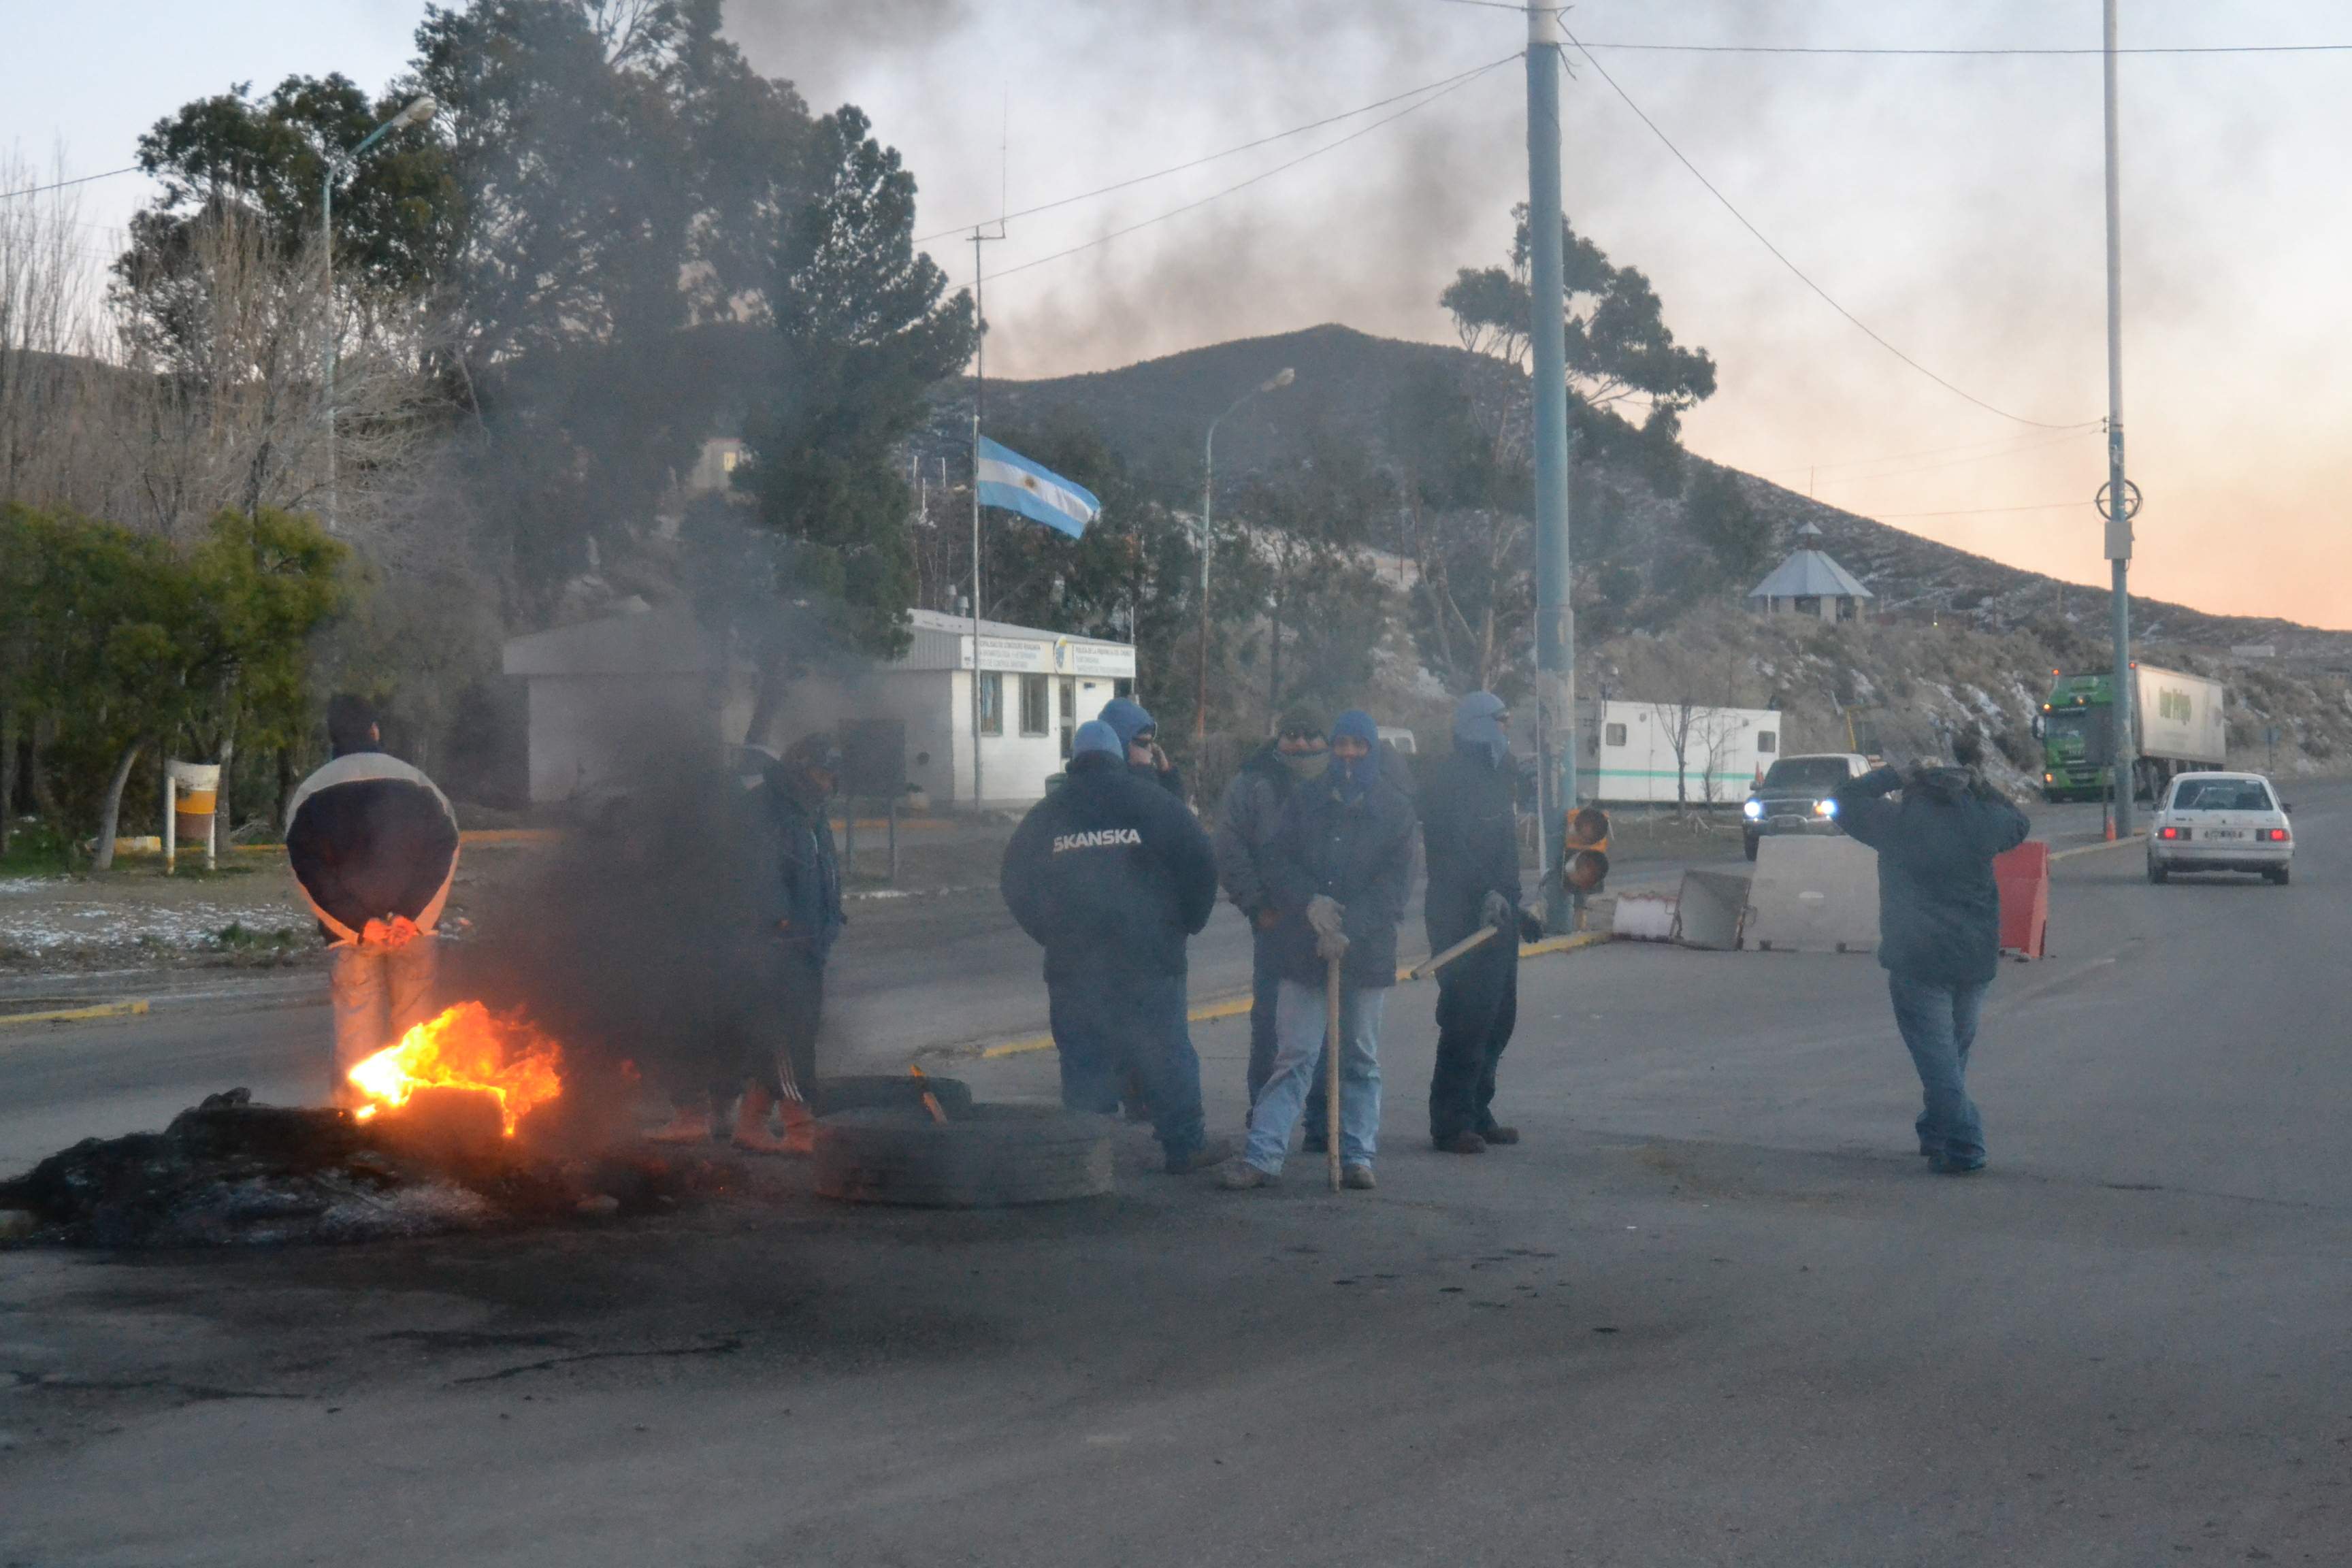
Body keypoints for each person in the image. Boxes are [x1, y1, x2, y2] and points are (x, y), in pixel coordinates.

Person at [1001, 720, 1231, 1174]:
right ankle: (1184, 1146)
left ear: (1073, 760)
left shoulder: (1047, 815)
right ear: (1119, 757)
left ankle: (1084, 1156)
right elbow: (1202, 864)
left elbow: (1014, 881)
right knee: (1165, 1051)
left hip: (1074, 966)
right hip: (1150, 959)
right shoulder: (1156, 804)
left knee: (1084, 1057)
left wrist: (1050, 931)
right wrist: (1185, 924)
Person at [1222, 710, 1416, 1192]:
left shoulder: (1396, 809)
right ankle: (1263, 1155)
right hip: (1302, 950)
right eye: (1343, 745)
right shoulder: (1306, 801)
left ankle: (1357, 1155)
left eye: (1359, 746)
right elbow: (1275, 860)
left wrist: (1349, 926)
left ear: (1372, 749)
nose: (1349, 754)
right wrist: (1310, 904)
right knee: (1295, 1056)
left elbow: (1395, 886)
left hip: (1365, 954)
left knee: (1359, 1059)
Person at [1831, 728, 2030, 1175]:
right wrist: (1983, 786)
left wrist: (1892, 778)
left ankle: (1963, 1142)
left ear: (1913, 791)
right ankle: (1938, 1128)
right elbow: (2019, 821)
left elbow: (1841, 800)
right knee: (1950, 1052)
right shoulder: (1982, 822)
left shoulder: (1898, 824)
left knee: (1938, 1056)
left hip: (1918, 957)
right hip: (1974, 958)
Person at [285, 694, 461, 1107]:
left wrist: (358, 924)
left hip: (352, 939)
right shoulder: (417, 783)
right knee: (417, 1035)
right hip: (413, 934)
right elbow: (445, 849)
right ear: (375, 730)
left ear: (331, 737)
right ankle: (419, 1123)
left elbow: (309, 871)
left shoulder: (312, 791)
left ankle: (356, 1130)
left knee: (356, 1037)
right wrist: (412, 917)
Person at [1418, 691, 1544, 1154]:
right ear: (1477, 724)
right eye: (1501, 720)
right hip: (1460, 915)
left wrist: (1517, 902)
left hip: (1500, 915)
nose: (1506, 729)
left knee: (1499, 1018)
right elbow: (1448, 851)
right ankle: (1451, 1122)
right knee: (1467, 1018)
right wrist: (1483, 892)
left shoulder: (1498, 776)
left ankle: (1477, 1108)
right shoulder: (1448, 780)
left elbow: (1502, 853)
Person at [1213, 706, 1330, 1124]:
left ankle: (1324, 1123)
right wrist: (1258, 906)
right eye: (1292, 734)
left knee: (1331, 1029)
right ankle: (1264, 1118)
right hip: (1276, 925)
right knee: (1269, 1025)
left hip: (1330, 930)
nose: (1301, 743)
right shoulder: (1250, 783)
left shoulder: (1345, 782)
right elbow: (1229, 848)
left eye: (1311, 734)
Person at [1099, 696, 1184, 800]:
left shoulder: (1138, 776)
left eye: (1151, 744)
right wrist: (1143, 770)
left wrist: (1166, 772)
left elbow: (1177, 810)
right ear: (1122, 744)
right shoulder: (1111, 784)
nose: (1150, 751)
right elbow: (1158, 809)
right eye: (1143, 744)